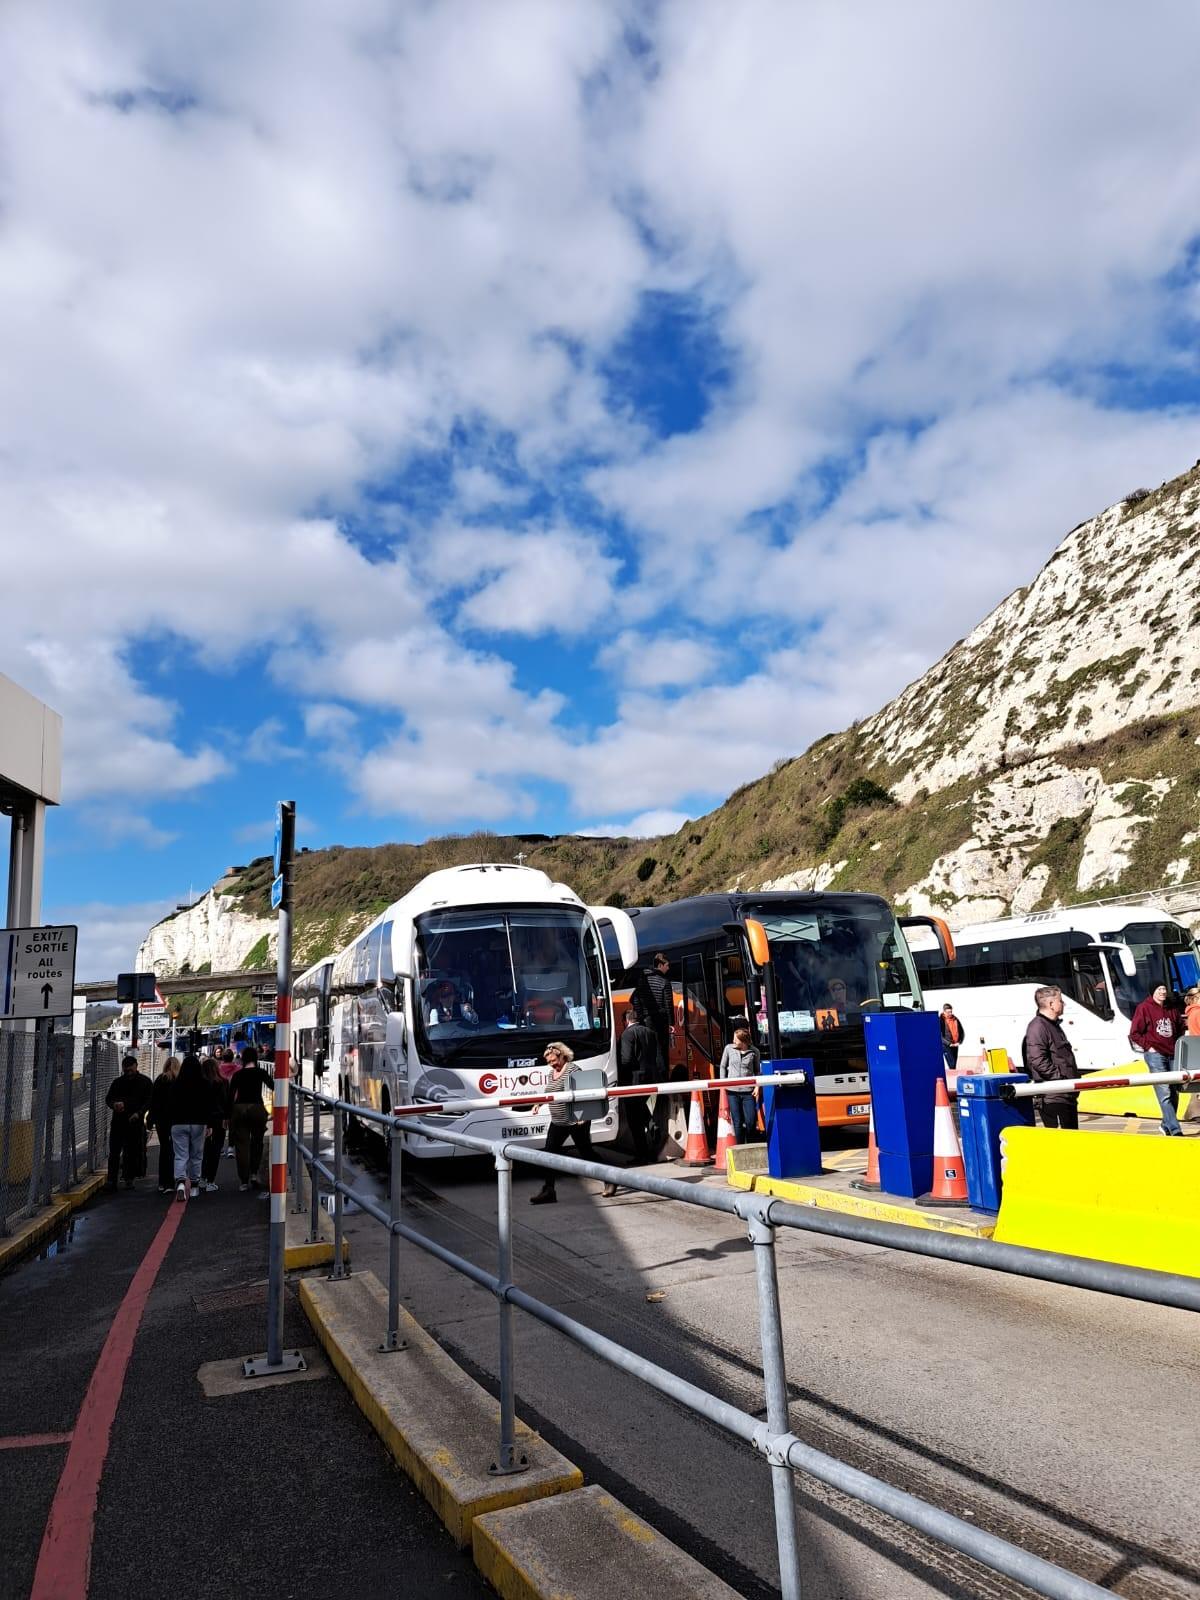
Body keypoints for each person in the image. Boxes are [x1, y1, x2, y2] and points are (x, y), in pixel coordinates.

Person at [530, 1043, 599, 1204]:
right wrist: (538, 1104)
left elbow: (584, 1091)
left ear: (563, 1056)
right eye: (549, 1062)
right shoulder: (551, 1074)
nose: (552, 1064)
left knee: (586, 1152)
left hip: (575, 1121)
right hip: (558, 1122)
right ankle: (549, 1191)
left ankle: (611, 1179)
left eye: (554, 1060)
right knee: (548, 1154)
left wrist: (584, 1115)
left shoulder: (573, 1070)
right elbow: (550, 1093)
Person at [1129, 982, 1184, 1136]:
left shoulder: (1171, 1008)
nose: (1163, 992)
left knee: (1174, 1092)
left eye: (1164, 989)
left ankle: (1166, 1125)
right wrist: (1149, 1047)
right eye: (1159, 989)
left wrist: (1178, 1045)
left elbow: (1180, 1027)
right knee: (1164, 1092)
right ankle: (1175, 1129)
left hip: (1173, 1054)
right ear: (1153, 992)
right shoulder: (1144, 1008)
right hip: (1155, 1055)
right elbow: (1134, 1033)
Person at [1021, 986, 1080, 1130]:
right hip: (1054, 1097)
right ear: (1051, 1005)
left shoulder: (1052, 1025)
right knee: (1061, 1144)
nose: (1064, 1004)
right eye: (1061, 1000)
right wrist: (1060, 1079)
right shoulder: (1038, 1027)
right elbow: (1037, 1059)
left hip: (1065, 1094)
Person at [167, 1054, 223, 1201]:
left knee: (180, 1155)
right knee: (197, 1155)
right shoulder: (204, 1084)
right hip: (199, 1123)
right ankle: (194, 1186)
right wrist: (210, 1124)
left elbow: (170, 1105)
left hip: (178, 1123)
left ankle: (180, 1183)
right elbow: (209, 1105)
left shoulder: (175, 1085)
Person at [227, 1044, 274, 1191]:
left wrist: (228, 1115)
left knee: (242, 1145)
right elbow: (272, 1085)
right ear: (256, 1058)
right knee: (257, 1142)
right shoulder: (260, 1072)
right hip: (257, 1108)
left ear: (242, 1060)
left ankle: (244, 1180)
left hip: (240, 1109)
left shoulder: (237, 1075)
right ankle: (254, 1173)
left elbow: (230, 1095)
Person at [617, 1006, 659, 1166]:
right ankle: (652, 1134)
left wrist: (620, 1074)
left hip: (633, 1081)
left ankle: (642, 1155)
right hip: (650, 1079)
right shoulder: (650, 1032)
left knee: (634, 1120)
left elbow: (626, 1059)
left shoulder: (628, 1034)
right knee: (644, 1112)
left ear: (626, 1020)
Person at [105, 1053, 153, 1189]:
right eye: (126, 1071)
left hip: (134, 1122)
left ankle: (128, 1178)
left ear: (136, 1067)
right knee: (114, 1152)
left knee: (131, 1152)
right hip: (119, 1122)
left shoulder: (145, 1082)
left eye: (131, 1070)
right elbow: (109, 1098)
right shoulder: (118, 1082)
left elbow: (149, 1101)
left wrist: (139, 1113)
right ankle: (112, 1181)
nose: (128, 1073)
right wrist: (114, 1105)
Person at [716, 1026, 761, 1143]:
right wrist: (723, 1083)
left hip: (748, 1091)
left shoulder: (755, 1052)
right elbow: (722, 1066)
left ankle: (750, 1145)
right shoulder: (728, 1049)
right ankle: (740, 1147)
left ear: (744, 1041)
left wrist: (757, 1087)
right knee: (737, 1121)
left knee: (751, 1121)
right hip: (732, 1091)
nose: (733, 1041)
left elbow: (757, 1071)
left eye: (736, 1039)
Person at [634, 953, 674, 1076]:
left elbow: (635, 999)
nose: (668, 968)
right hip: (660, 1021)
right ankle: (662, 1078)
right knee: (661, 1051)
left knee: (648, 1050)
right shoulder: (665, 982)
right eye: (667, 965)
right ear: (660, 965)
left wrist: (641, 1017)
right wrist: (671, 1023)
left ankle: (651, 1077)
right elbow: (668, 1004)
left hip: (646, 1020)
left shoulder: (642, 979)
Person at [147, 1055, 180, 1194]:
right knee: (176, 1150)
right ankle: (173, 1181)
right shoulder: (179, 1081)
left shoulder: (160, 1080)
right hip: (176, 1119)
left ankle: (163, 1182)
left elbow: (153, 1101)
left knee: (164, 1149)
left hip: (161, 1120)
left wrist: (150, 1119)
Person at [199, 1055, 228, 1191]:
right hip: (219, 1120)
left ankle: (202, 1178)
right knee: (216, 1150)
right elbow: (227, 1102)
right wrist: (227, 1118)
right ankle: (211, 1180)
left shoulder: (201, 1083)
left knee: (203, 1150)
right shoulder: (223, 1082)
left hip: (203, 1119)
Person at [940, 1004, 965, 1072]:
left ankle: (953, 1076)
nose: (950, 1013)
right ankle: (952, 1078)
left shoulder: (955, 1019)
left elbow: (961, 1031)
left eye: (951, 1011)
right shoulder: (940, 1020)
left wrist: (959, 1041)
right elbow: (939, 1035)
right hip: (946, 1045)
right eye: (948, 1012)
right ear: (944, 1012)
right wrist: (948, 1043)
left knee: (954, 1064)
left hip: (955, 1044)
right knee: (952, 1063)